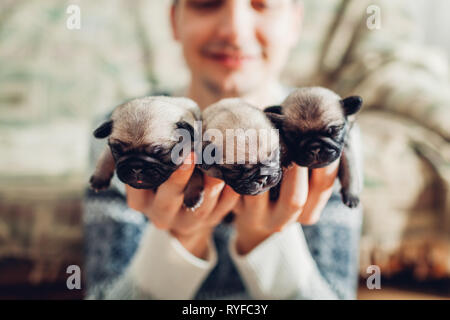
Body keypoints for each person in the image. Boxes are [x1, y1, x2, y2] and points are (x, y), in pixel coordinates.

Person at [84, 0, 362, 299]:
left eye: (263, 4)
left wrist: (264, 240)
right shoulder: (123, 128)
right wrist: (178, 243)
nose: (234, 31)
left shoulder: (329, 125)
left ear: (295, 22)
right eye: (206, 3)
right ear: (174, 20)